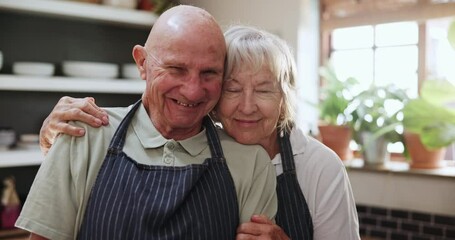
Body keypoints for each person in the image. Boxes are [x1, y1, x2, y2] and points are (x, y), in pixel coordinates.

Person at [38, 26, 361, 239]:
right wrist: (57, 137)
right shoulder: (194, 139)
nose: (247, 107)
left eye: (263, 90)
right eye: (233, 89)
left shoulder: (321, 168)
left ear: (285, 97)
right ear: (215, 91)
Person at [15, 6, 278, 240]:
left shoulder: (250, 163)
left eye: (209, 73)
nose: (193, 91)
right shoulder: (84, 134)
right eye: (176, 69)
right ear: (142, 63)